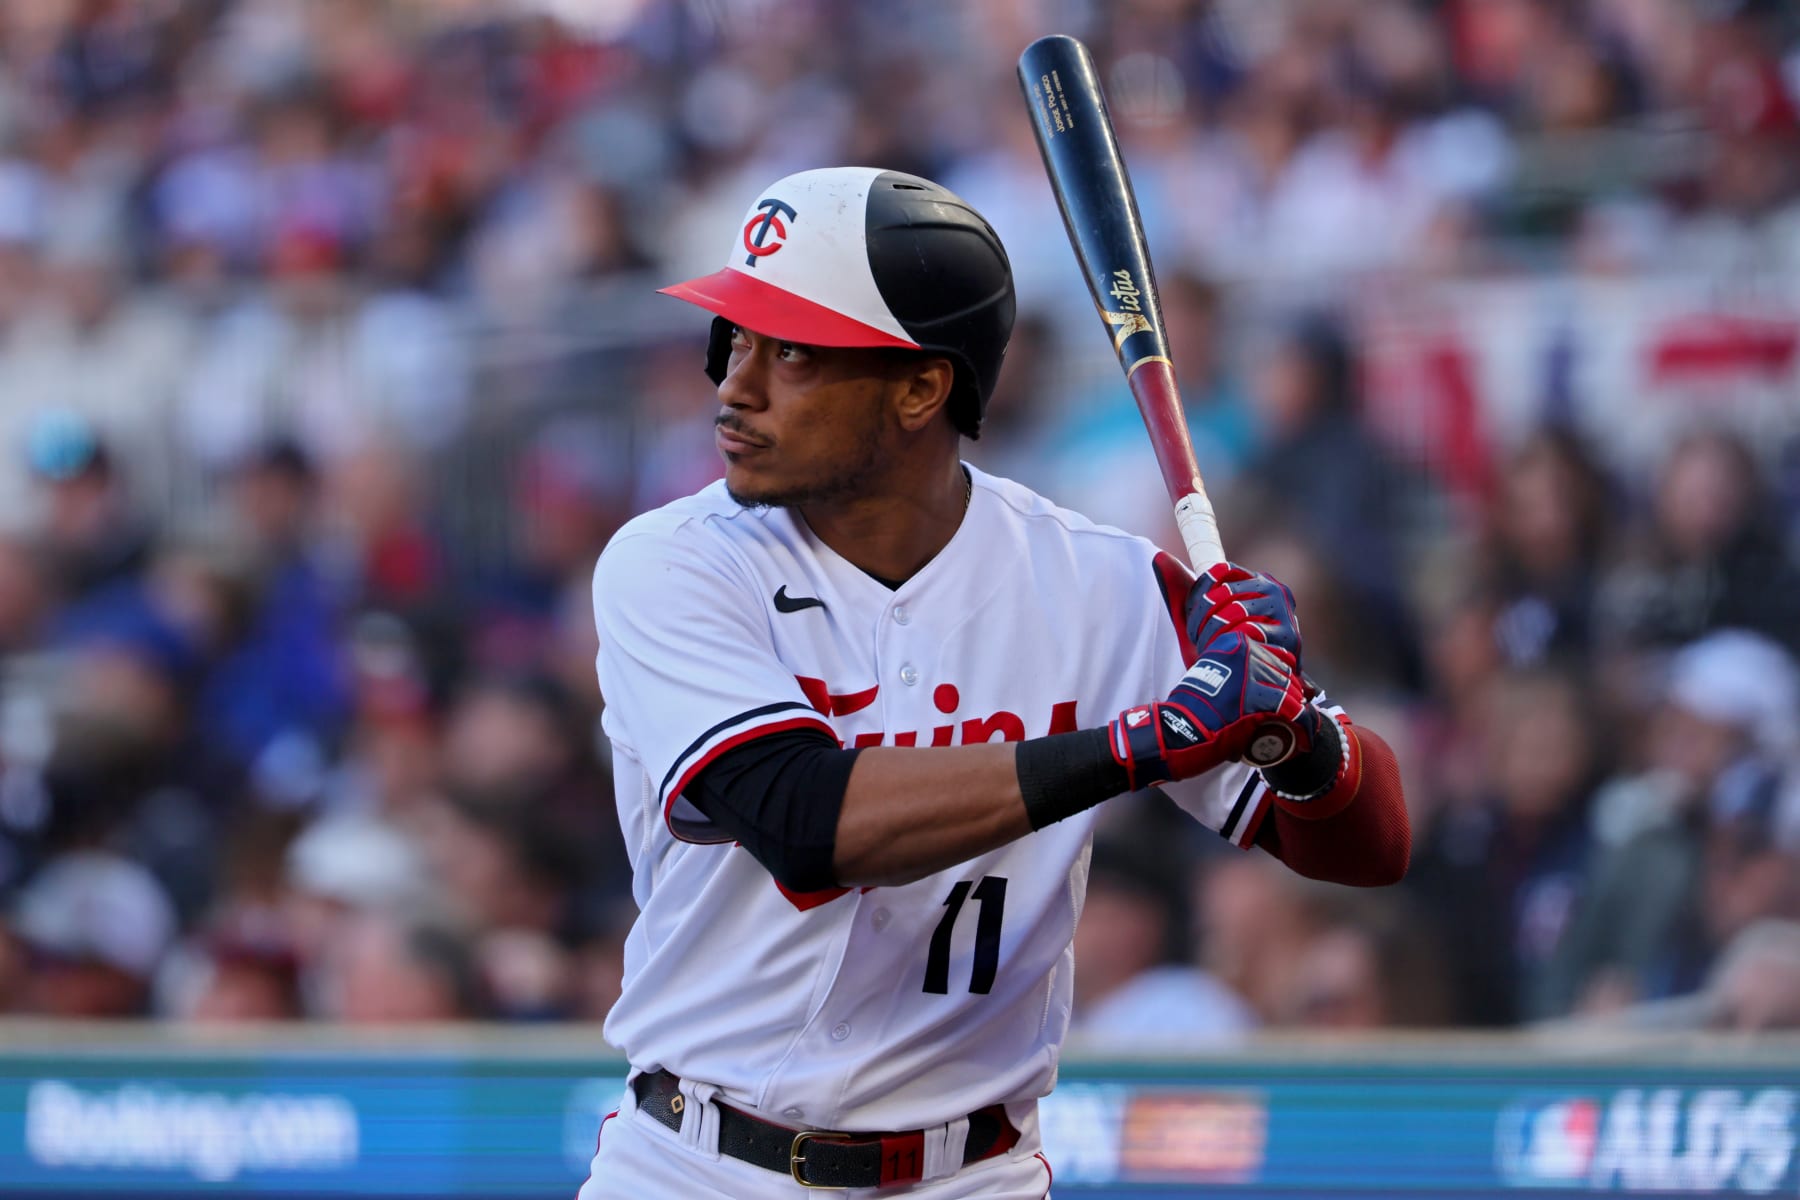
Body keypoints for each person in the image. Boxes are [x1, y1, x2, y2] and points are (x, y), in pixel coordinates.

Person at [582, 167, 1410, 1198]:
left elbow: (1370, 845)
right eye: (734, 339)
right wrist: (1138, 744)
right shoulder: (674, 561)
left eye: (789, 350)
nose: (735, 384)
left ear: (923, 388)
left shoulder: (1098, 582)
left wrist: (1290, 722)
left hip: (969, 1174)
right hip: (697, 1165)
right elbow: (805, 819)